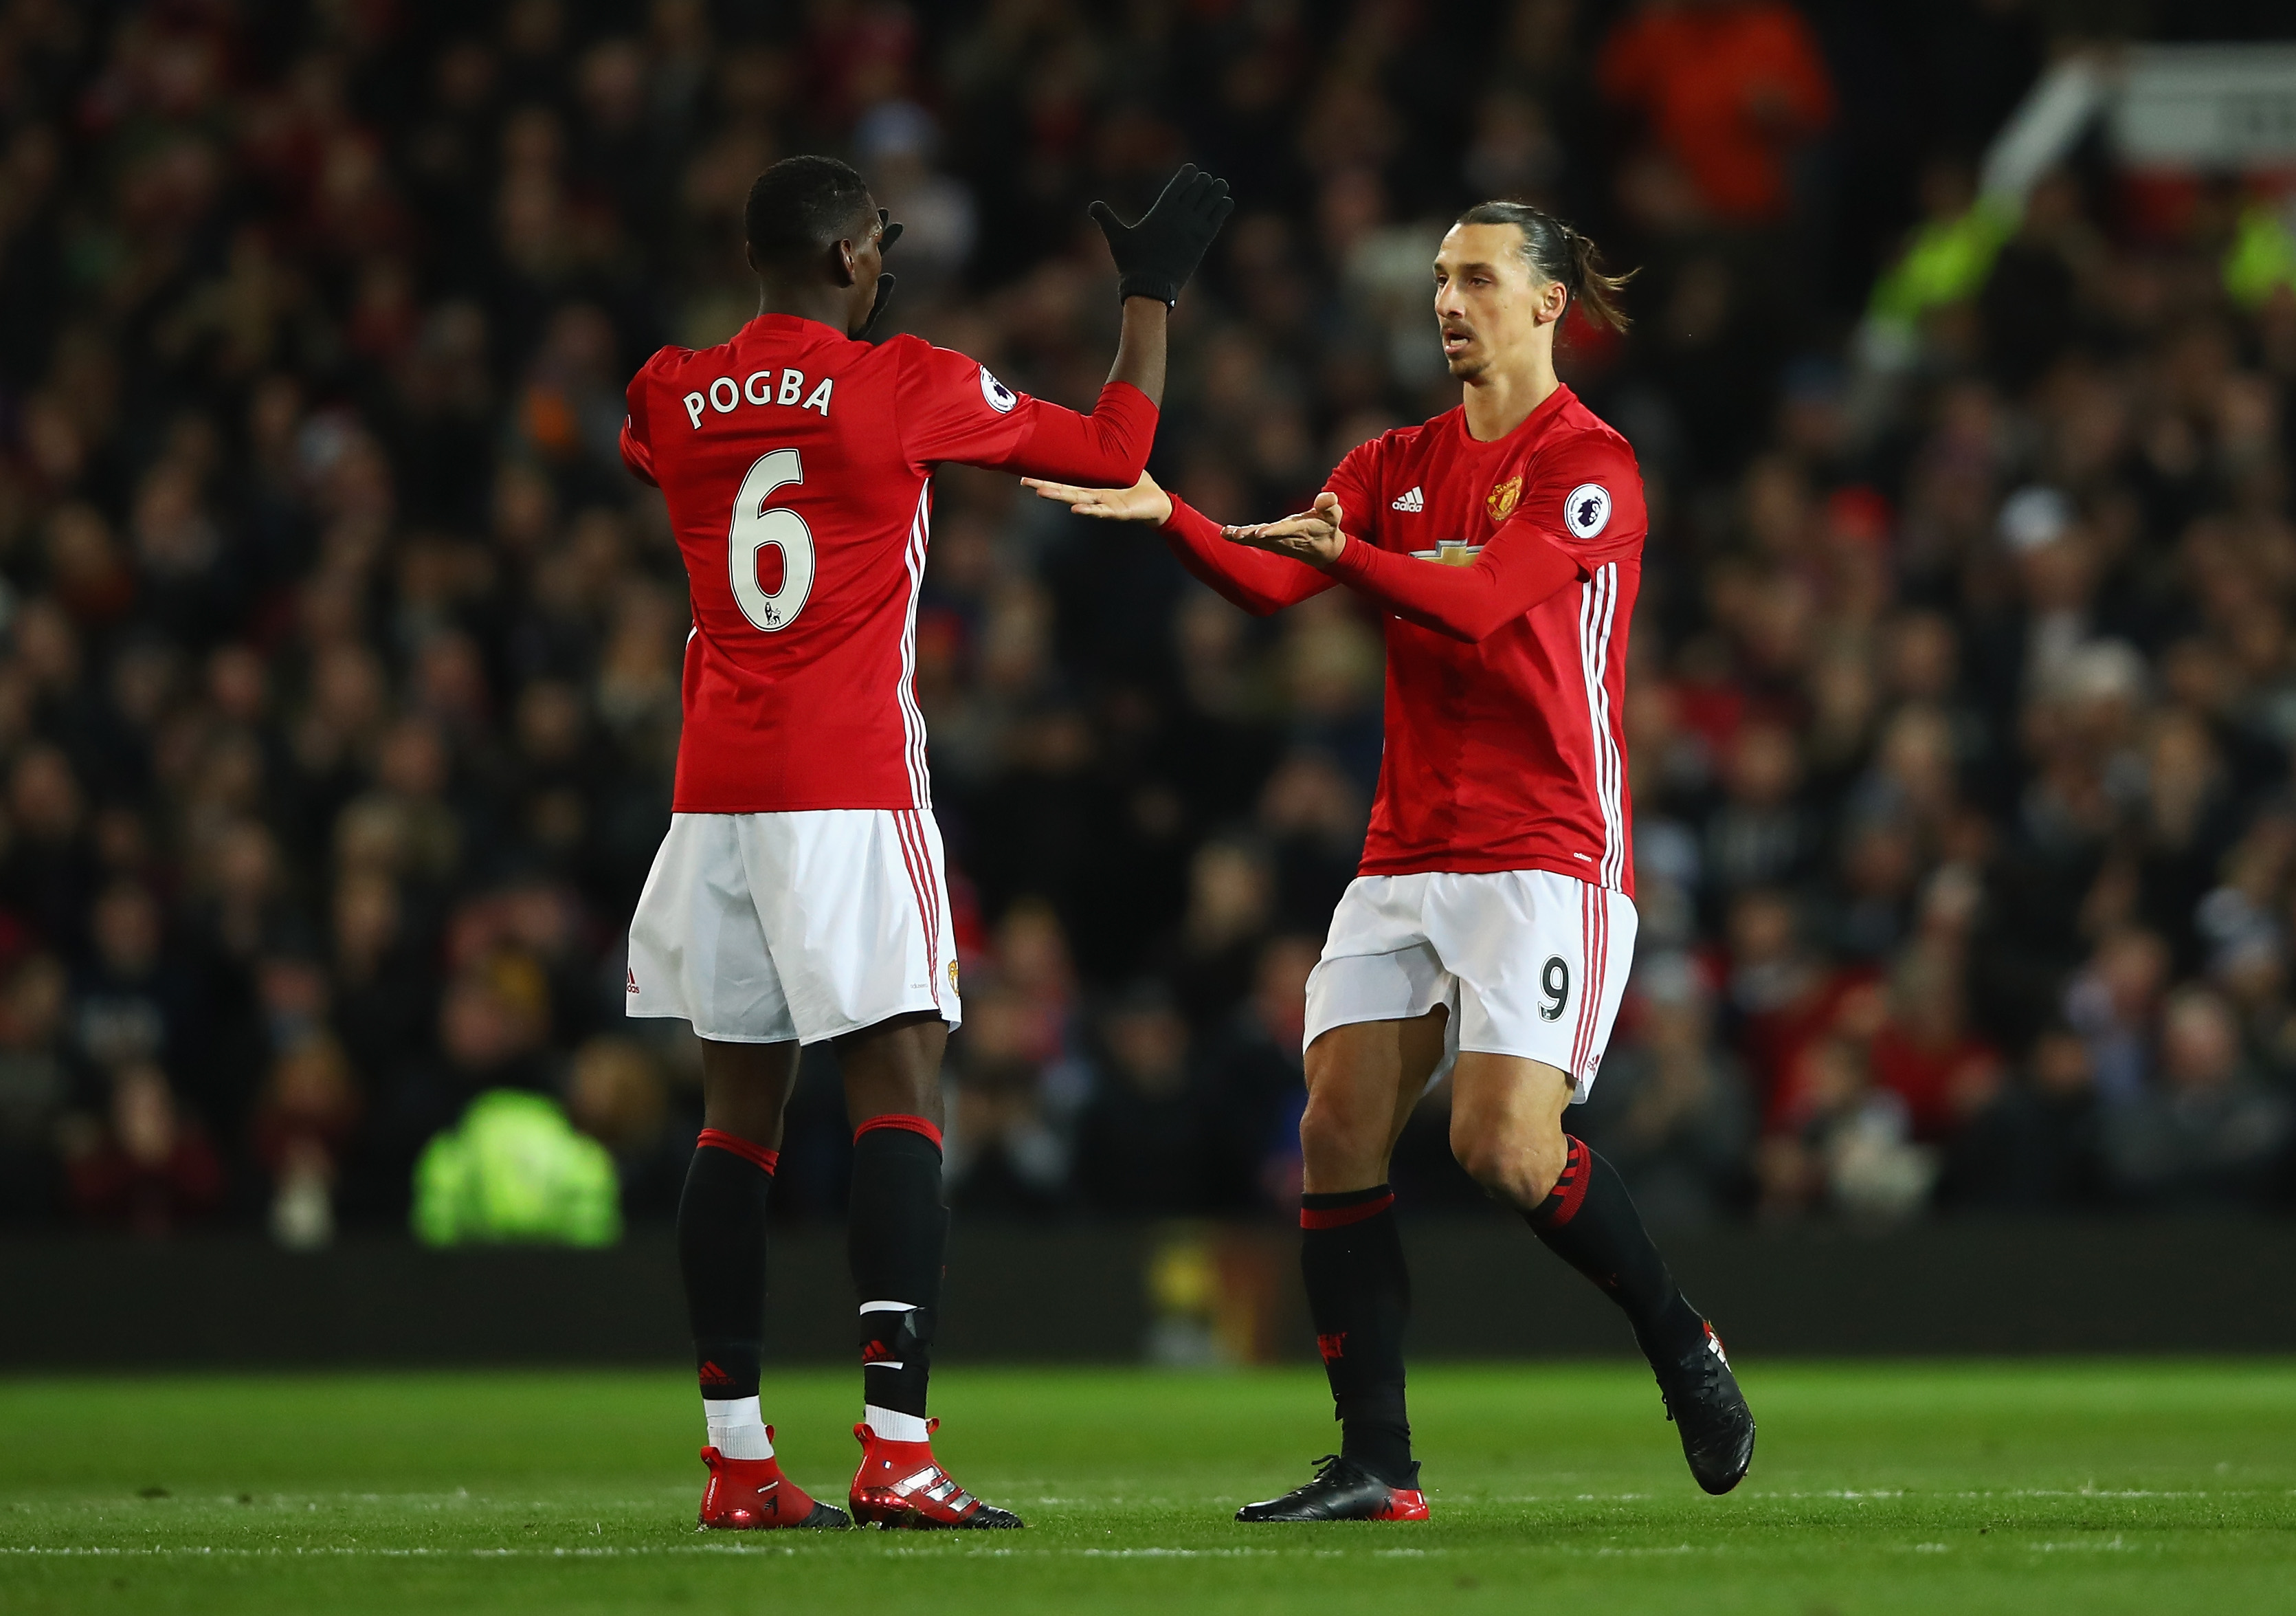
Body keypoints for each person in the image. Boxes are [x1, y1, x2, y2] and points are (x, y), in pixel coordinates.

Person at [1027, 201, 1754, 1521]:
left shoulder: (1592, 465)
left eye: (1478, 278)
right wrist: (1170, 515)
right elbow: (1276, 583)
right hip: (1405, 846)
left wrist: (1355, 555)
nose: (1447, 300)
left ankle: (1677, 1339)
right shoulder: (1394, 461)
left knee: (1503, 1152)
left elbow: (1477, 606)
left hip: (1546, 852)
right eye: (1438, 278)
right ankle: (1377, 1463)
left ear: (1546, 304)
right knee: (1335, 1127)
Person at [620, 154, 1231, 1530]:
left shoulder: (668, 387)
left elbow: (661, 445)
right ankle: (895, 1449)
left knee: (736, 1121)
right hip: (845, 781)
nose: (885, 264)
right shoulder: (901, 382)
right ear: (846, 260)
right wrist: (1148, 298)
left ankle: (736, 1461)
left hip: (714, 791)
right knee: (900, 1088)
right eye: (878, 246)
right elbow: (1115, 453)